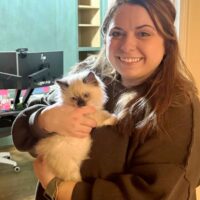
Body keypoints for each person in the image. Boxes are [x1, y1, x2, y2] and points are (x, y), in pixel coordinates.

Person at [11, 0, 200, 199]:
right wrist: (44, 119)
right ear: (105, 37)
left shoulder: (177, 108)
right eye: (117, 33)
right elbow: (23, 134)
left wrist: (58, 188)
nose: (127, 46)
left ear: (167, 41)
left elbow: (154, 193)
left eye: (143, 33)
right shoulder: (89, 73)